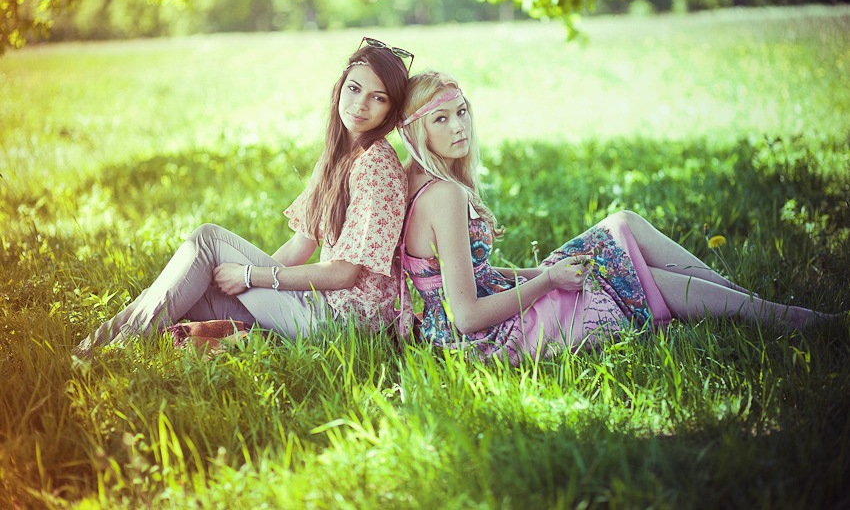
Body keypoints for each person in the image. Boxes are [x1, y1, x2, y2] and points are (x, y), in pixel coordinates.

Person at [397, 70, 837, 363]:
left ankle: (752, 303)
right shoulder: (445, 195)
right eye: (441, 119)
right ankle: (781, 317)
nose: (459, 126)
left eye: (461, 112)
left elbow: (473, 278)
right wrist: (548, 282)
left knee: (621, 224)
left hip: (474, 321)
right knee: (635, 277)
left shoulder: (419, 179)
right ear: (417, 130)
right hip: (489, 339)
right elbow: (467, 315)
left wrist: (544, 272)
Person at [74, 38, 415, 357]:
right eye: (354, 88)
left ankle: (116, 350)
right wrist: (241, 285)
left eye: (378, 97)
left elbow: (344, 274)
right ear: (340, 88)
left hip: (341, 326)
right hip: (313, 309)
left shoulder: (376, 167)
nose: (360, 104)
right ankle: (89, 350)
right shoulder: (339, 155)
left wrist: (250, 276)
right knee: (179, 291)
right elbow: (300, 246)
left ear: (391, 110)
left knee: (207, 240)